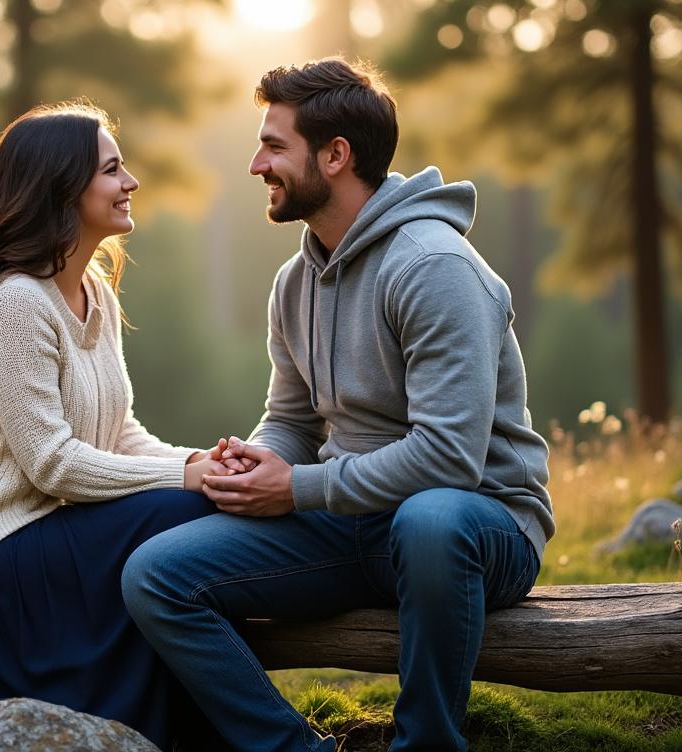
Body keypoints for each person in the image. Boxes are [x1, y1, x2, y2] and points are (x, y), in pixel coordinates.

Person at [121, 59, 556, 751]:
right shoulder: (296, 282)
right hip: (352, 523)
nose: (256, 163)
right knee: (157, 575)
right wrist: (261, 460)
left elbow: (449, 458)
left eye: (273, 146)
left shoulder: (433, 267)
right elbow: (294, 420)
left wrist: (295, 488)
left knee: (431, 520)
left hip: (480, 522)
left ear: (336, 155)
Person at [0, 102, 236, 748]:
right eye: (113, 169)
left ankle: (193, 716)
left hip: (53, 536)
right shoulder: (15, 303)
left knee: (200, 505)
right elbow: (51, 463)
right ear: (63, 187)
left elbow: (119, 433)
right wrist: (184, 478)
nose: (131, 183)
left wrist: (205, 461)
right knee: (180, 515)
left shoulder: (97, 294)